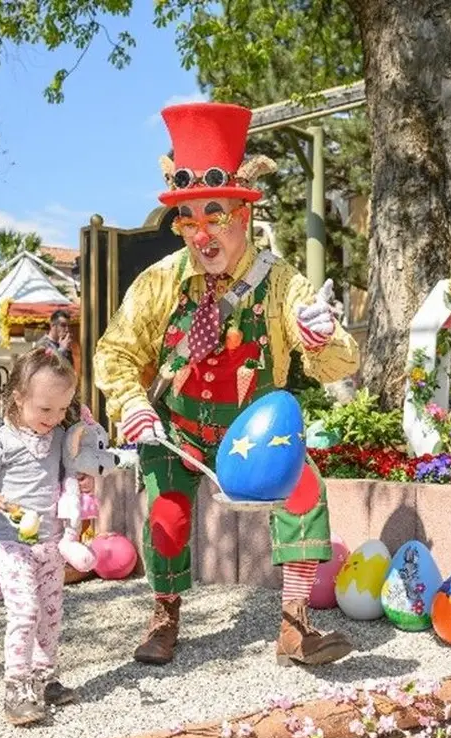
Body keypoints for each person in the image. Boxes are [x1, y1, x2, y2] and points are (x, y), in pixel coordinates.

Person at [93, 101, 360, 668]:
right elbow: (115, 351)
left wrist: (320, 337)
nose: (201, 233)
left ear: (243, 214)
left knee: (305, 488)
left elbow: (339, 364)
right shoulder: (159, 281)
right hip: (176, 430)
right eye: (189, 220)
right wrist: (133, 404)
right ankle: (165, 614)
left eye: (215, 217)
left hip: (252, 432)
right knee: (166, 514)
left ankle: (294, 625)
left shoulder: (284, 281)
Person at [0, 347, 81, 726]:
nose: (55, 418)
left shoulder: (60, 438)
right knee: (25, 611)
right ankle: (16, 686)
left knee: (51, 614)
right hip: (10, 542)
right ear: (18, 397)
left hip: (50, 541)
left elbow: (68, 474)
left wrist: (82, 479)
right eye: (46, 410)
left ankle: (44, 679)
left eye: (62, 410)